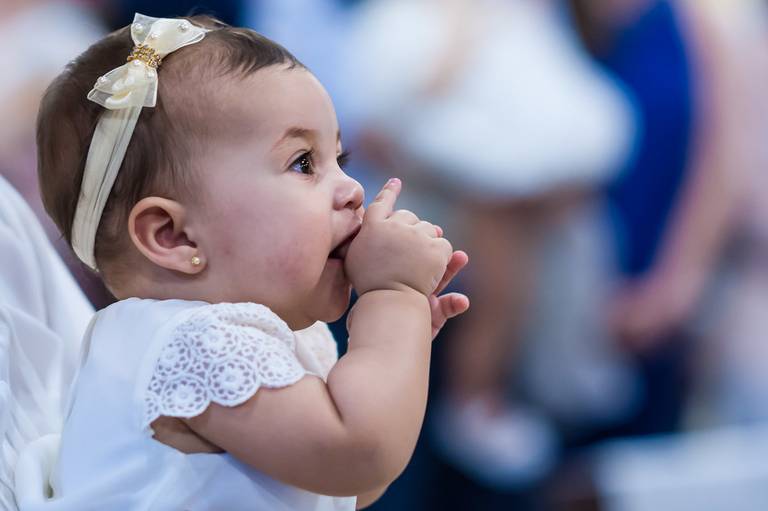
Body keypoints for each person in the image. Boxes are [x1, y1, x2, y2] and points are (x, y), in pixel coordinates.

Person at [13, 13, 469, 510]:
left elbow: (341, 489)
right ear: (173, 235)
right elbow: (358, 453)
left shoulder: (258, 338)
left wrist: (398, 350)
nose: (353, 190)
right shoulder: (193, 343)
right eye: (303, 163)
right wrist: (392, 298)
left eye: (342, 158)